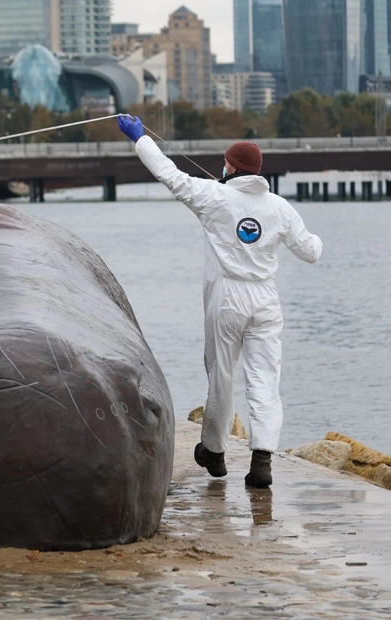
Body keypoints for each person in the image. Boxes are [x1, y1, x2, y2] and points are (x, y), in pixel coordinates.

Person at [117, 115, 322, 488]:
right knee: (265, 380)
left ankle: (214, 451)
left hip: (227, 295)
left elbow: (169, 174)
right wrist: (318, 240)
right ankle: (262, 460)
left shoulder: (214, 196)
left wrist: (140, 138)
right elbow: (310, 252)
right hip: (265, 298)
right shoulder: (279, 207)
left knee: (222, 375)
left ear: (230, 166)